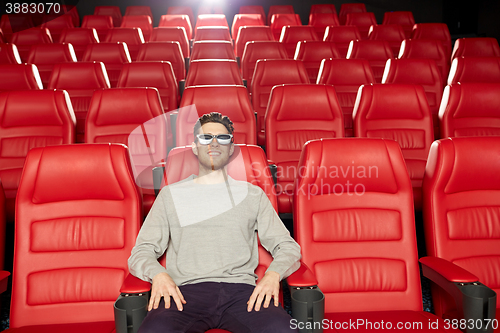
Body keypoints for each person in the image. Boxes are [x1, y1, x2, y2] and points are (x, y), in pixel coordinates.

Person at [128, 112, 301, 332]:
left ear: (231, 149)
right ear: (194, 147)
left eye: (223, 138)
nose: (214, 143)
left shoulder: (252, 195)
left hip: (243, 294)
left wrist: (273, 274)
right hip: (183, 294)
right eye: (206, 137)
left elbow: (287, 246)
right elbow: (141, 252)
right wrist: (158, 275)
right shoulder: (170, 195)